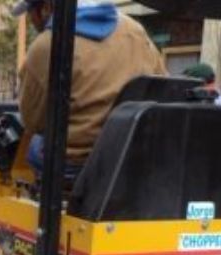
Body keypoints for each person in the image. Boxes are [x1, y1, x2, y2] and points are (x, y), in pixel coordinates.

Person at [13, 0, 167, 175]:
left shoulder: (46, 45)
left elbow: (32, 122)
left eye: (31, 12)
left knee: (33, 144)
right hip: (133, 152)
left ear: (46, 7)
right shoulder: (135, 31)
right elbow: (162, 83)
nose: (32, 21)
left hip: (77, 161)